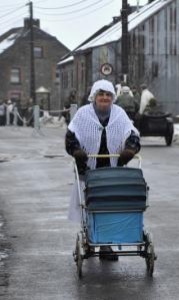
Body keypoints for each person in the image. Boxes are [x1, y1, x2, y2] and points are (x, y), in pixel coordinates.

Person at [65, 79, 140, 260]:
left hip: (112, 169)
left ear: (112, 97)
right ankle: (90, 240)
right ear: (94, 96)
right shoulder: (83, 114)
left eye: (108, 95)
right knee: (89, 205)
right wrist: (77, 151)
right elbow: (71, 136)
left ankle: (106, 245)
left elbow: (131, 133)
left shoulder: (119, 114)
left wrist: (129, 150)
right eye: (101, 94)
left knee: (109, 205)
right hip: (88, 168)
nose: (104, 98)